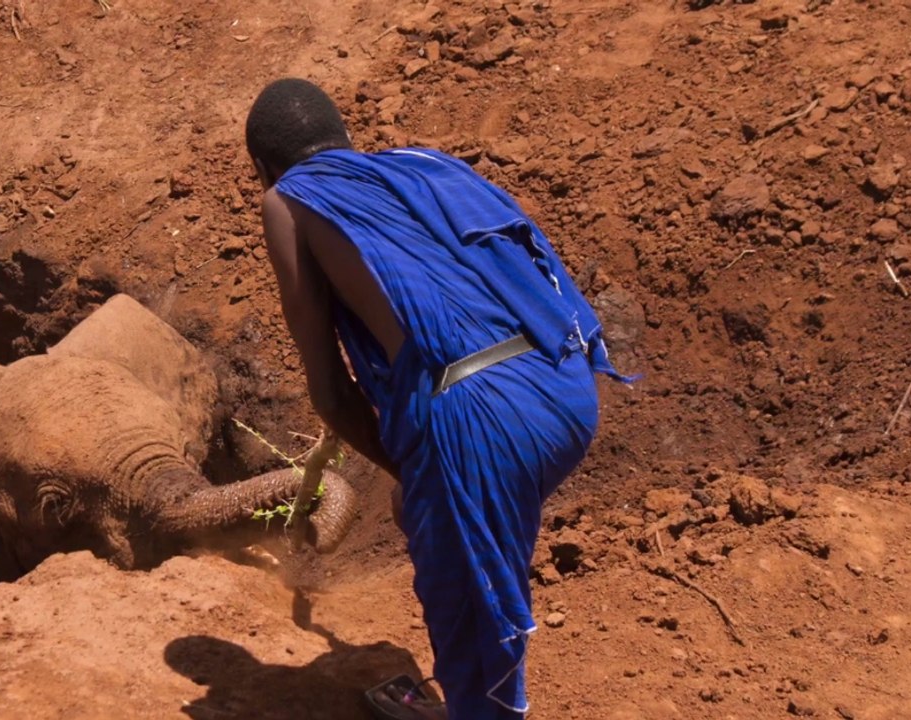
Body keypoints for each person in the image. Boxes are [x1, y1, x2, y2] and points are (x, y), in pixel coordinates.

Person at [243, 78, 634, 719]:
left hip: (483, 417)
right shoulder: (419, 168)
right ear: (345, 138)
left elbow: (333, 397)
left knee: (472, 622)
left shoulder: (287, 201)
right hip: (563, 381)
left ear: (262, 168)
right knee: (458, 537)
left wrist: (419, 475)